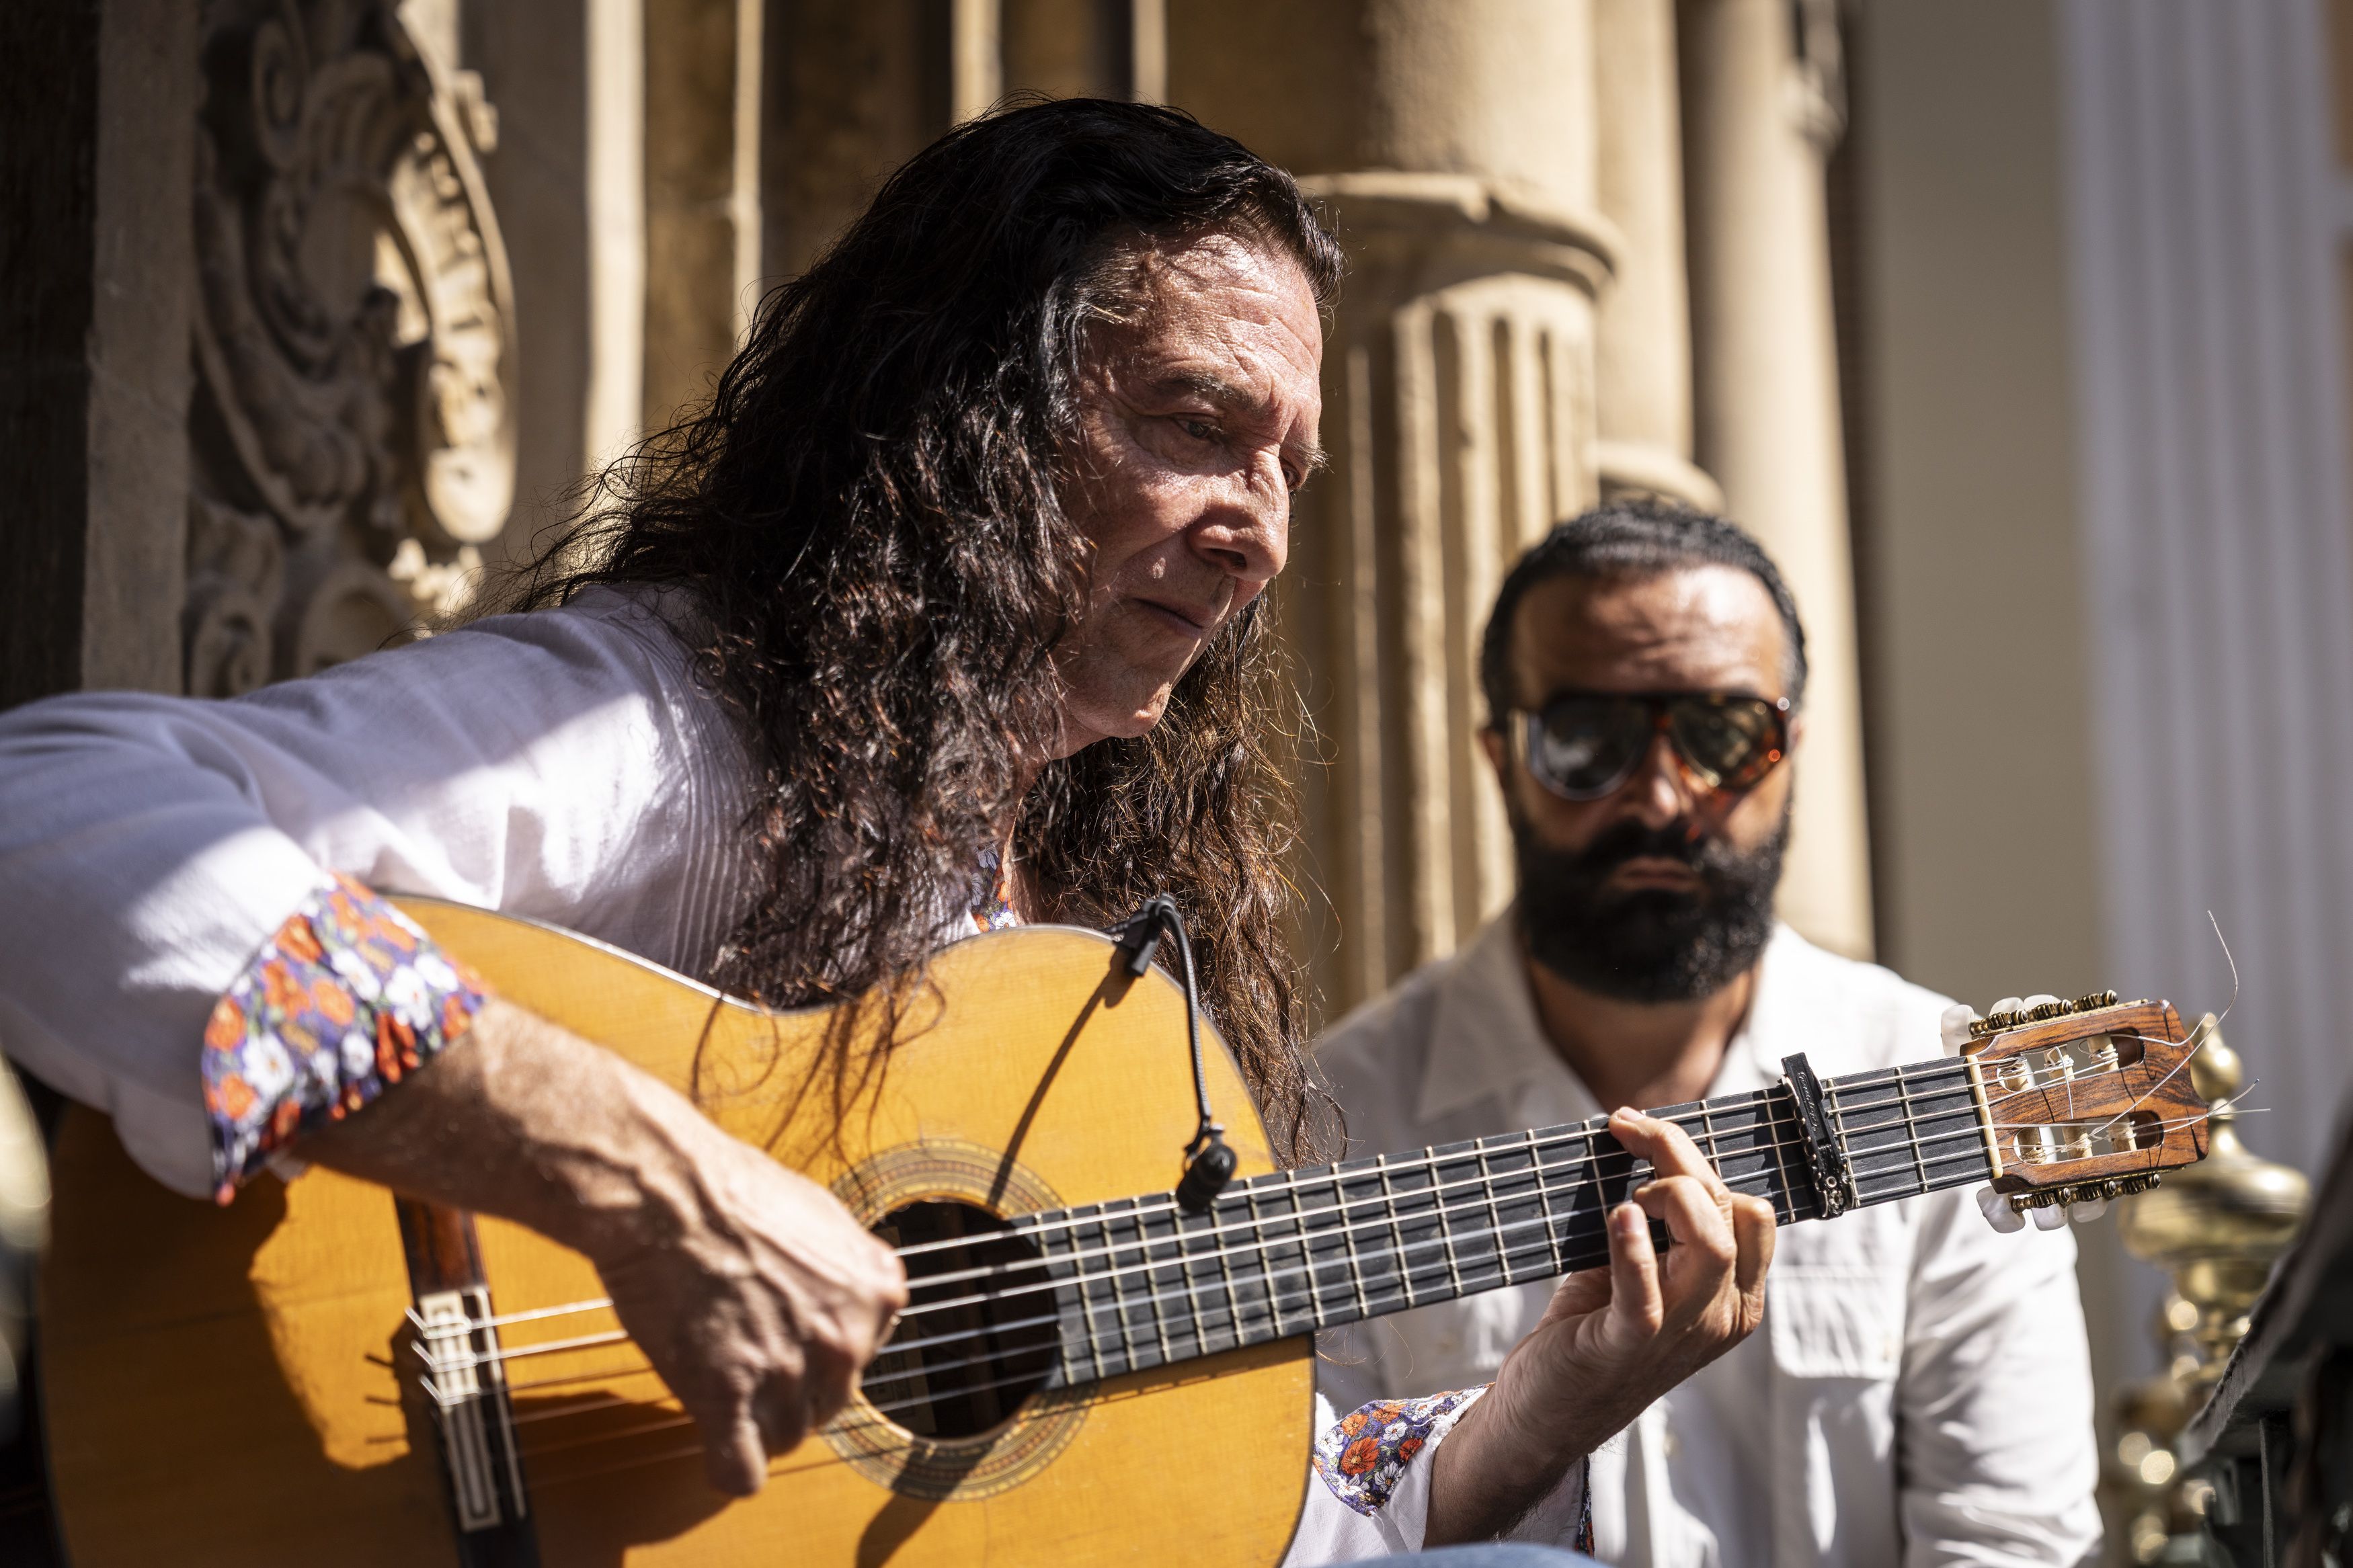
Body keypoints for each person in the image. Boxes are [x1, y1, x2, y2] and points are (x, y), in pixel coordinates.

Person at [0, 101, 1771, 1561]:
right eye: (1195, 426)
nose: (1259, 532)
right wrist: (638, 1179)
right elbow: (50, 804)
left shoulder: (1080, 905)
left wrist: (1556, 1389)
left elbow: (1199, 1519)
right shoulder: (682, 732)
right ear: (966, 415)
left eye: (1286, 468)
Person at [1312, 499, 2103, 1565]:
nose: (1662, 793)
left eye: (1724, 733)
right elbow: (1316, 1535)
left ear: (1791, 752)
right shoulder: (1335, 1112)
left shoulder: (1941, 1086)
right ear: (1502, 758)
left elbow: (2008, 1542)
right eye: (1588, 738)